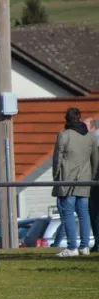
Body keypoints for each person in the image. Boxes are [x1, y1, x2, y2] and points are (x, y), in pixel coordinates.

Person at [52, 108, 99, 257]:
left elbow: (57, 158)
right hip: (85, 179)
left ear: (67, 119)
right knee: (84, 213)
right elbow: (95, 159)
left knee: (67, 213)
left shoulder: (64, 135)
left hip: (67, 179)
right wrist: (91, 175)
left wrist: (56, 176)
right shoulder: (89, 137)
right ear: (79, 118)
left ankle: (72, 247)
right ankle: (84, 247)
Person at [85, 118, 99, 252]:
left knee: (94, 213)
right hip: (94, 181)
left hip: (95, 181)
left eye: (86, 126)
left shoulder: (93, 139)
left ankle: (98, 243)